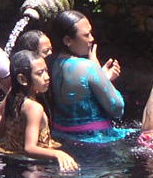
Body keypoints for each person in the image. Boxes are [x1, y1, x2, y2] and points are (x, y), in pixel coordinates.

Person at [0, 50, 78, 171]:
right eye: (40, 73)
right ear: (23, 79)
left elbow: (0, 136)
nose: (47, 77)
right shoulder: (34, 108)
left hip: (11, 164)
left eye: (46, 71)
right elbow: (29, 148)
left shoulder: (12, 98)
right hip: (34, 169)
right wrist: (58, 154)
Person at [49, 9, 124, 141]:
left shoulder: (47, 63)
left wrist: (101, 77)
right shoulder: (88, 67)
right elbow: (117, 109)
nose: (92, 39)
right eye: (86, 35)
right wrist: (103, 76)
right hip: (95, 139)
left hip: (59, 136)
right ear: (67, 40)